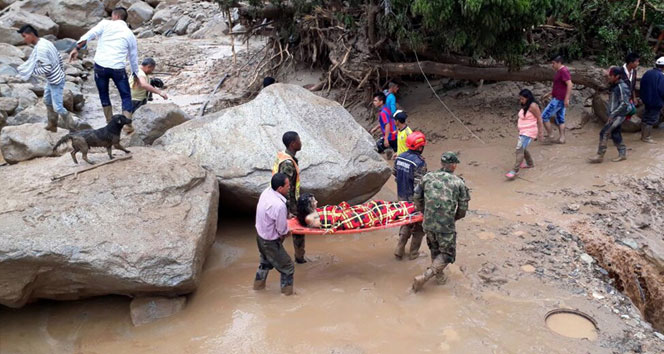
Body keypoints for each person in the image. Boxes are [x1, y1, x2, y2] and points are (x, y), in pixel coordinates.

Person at [69, 7, 139, 132]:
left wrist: (76, 49)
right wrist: (135, 74)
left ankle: (109, 123)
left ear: (115, 16)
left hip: (100, 67)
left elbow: (89, 35)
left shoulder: (105, 24)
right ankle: (127, 125)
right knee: (125, 96)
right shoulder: (129, 34)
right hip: (118, 68)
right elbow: (133, 57)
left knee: (104, 94)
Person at [411, 152, 470, 293]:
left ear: (442, 163)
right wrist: (451, 219)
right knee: (448, 254)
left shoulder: (427, 177)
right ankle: (425, 277)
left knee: (434, 248)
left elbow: (416, 197)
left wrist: (425, 213)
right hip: (445, 225)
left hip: (428, 222)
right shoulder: (458, 182)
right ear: (454, 165)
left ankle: (440, 276)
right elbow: (462, 210)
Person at [16, 25, 88, 132]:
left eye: (24, 36)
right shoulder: (44, 42)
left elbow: (47, 67)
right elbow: (58, 56)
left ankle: (73, 128)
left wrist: (32, 72)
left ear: (31, 35)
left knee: (58, 107)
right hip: (53, 78)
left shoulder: (41, 49)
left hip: (56, 80)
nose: (24, 39)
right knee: (47, 101)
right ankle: (52, 125)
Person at [253, 173, 295, 296]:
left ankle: (257, 288)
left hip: (260, 236)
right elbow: (282, 230)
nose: (290, 187)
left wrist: (286, 216)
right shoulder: (279, 205)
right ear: (280, 188)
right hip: (270, 242)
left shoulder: (266, 192)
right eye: (288, 186)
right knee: (288, 267)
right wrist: (288, 232)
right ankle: (287, 296)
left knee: (265, 263)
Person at [272, 131, 306, 264]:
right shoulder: (287, 163)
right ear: (293, 144)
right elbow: (286, 188)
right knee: (286, 231)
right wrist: (288, 210)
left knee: (295, 231)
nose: (301, 142)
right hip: (288, 204)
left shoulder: (285, 157)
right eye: (299, 140)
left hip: (289, 203)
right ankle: (272, 257)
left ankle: (299, 258)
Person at [393, 131, 427, 260]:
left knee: (405, 221)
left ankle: (399, 248)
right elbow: (420, 186)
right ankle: (413, 253)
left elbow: (394, 173)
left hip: (401, 197)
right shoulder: (419, 163)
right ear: (420, 147)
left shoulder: (399, 157)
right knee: (418, 227)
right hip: (414, 199)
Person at [296, 194, 416, 231]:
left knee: (376, 204)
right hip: (345, 218)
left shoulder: (312, 213)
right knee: (378, 213)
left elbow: (328, 212)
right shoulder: (309, 218)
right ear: (308, 206)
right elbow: (330, 222)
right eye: (313, 201)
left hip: (344, 212)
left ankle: (408, 205)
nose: (317, 202)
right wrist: (338, 214)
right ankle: (411, 207)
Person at [588, 67, 632, 163]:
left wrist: (613, 114)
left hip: (618, 115)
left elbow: (624, 103)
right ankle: (622, 154)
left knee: (604, 132)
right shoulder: (615, 85)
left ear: (617, 76)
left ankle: (600, 155)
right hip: (616, 114)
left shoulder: (622, 87)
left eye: (610, 76)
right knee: (616, 133)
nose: (608, 77)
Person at [505, 89, 544, 180]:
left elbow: (539, 119)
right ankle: (530, 164)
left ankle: (515, 170)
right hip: (523, 131)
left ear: (528, 98)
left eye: (522, 99)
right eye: (520, 99)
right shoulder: (526, 105)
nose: (521, 101)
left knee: (519, 149)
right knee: (523, 148)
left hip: (529, 132)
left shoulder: (533, 106)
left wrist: (541, 132)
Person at [541, 55, 572, 144]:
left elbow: (569, 84)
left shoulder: (563, 71)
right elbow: (560, 86)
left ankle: (550, 135)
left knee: (544, 116)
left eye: (553, 63)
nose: (552, 65)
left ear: (559, 63)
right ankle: (562, 138)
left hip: (559, 99)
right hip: (559, 98)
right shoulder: (560, 71)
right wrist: (550, 93)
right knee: (560, 118)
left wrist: (566, 99)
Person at [637, 57, 664, 144]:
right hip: (656, 101)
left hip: (646, 100)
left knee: (645, 118)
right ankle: (646, 137)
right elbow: (662, 90)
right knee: (652, 119)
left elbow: (642, 86)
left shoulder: (648, 73)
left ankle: (642, 136)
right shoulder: (661, 76)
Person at [370, 92, 397, 158]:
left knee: (377, 148)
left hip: (390, 136)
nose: (374, 102)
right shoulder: (386, 109)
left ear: (381, 102)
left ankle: (388, 150)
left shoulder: (383, 113)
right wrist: (375, 128)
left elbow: (387, 124)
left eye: (375, 101)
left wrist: (386, 138)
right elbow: (385, 122)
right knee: (397, 151)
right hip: (393, 134)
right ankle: (389, 151)